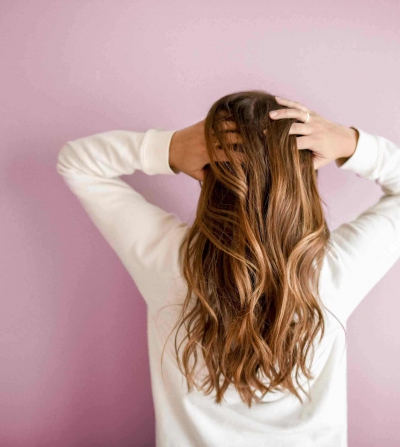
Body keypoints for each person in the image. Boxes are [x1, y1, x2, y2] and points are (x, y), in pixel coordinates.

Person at [56, 90, 400, 447]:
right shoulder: (334, 271)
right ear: (302, 177)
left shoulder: (171, 261)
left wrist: (169, 148)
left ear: (209, 170)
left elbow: (76, 162)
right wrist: (350, 142)